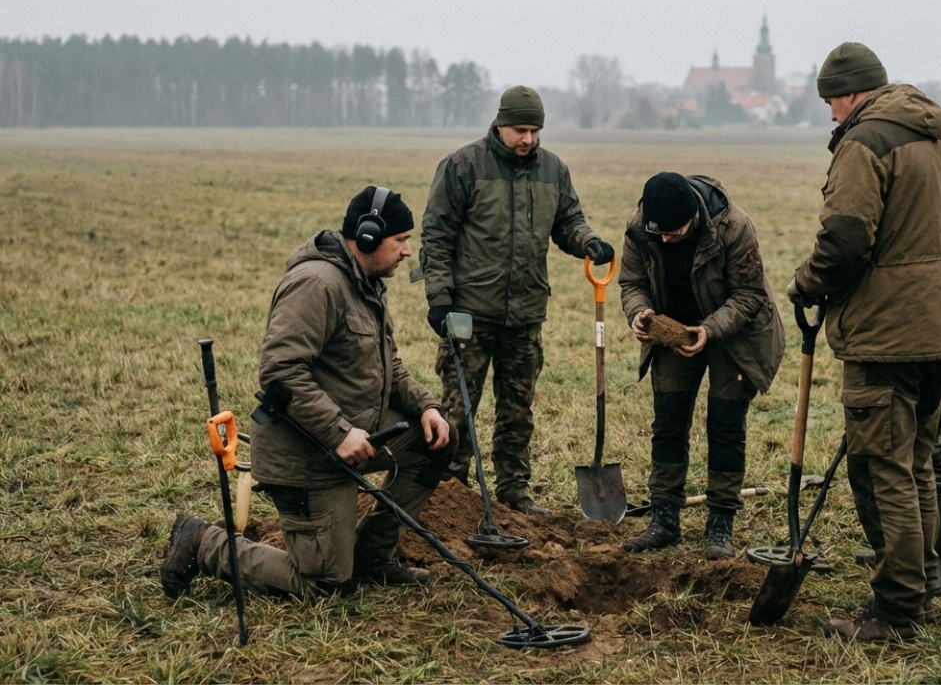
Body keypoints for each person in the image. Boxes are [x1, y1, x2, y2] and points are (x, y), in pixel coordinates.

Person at [161, 185, 456, 600]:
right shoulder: (316, 284)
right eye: (401, 241)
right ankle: (203, 542)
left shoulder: (366, 282)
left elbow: (389, 364)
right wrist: (337, 433)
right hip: (306, 455)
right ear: (367, 237)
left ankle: (371, 558)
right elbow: (279, 372)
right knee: (323, 584)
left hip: (357, 436)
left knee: (437, 440)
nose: (408, 251)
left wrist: (426, 406)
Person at [787, 42, 941, 642]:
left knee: (887, 470)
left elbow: (843, 240)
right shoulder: (940, 138)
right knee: (916, 465)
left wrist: (806, 283)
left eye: (831, 104)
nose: (831, 117)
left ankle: (895, 613)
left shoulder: (865, 143)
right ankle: (918, 591)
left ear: (849, 93)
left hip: (886, 335)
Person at [420, 85, 614, 515]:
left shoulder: (553, 171)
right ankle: (452, 491)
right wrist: (439, 299)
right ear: (500, 124)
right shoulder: (462, 166)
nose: (527, 139)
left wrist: (589, 242)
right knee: (459, 408)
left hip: (526, 313)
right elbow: (436, 236)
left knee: (518, 409)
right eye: (519, 129)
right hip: (468, 313)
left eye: (534, 130)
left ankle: (514, 489)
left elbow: (568, 221)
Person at [618, 172, 785, 559]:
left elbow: (750, 295)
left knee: (725, 424)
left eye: (673, 234)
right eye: (657, 233)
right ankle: (664, 520)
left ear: (693, 217)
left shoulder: (734, 226)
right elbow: (632, 281)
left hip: (736, 333)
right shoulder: (640, 226)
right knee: (668, 420)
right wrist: (638, 312)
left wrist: (709, 330)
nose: (663, 241)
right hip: (674, 331)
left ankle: (720, 524)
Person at [856, 183, 941, 596]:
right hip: (915, 338)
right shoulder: (920, 192)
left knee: (936, 446)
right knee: (902, 443)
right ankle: (910, 551)